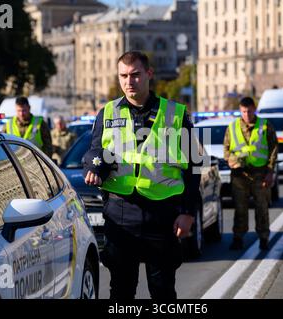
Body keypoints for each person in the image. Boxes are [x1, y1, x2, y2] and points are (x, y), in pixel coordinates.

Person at [83, 51, 201, 300]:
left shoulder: (175, 114)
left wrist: (188, 212)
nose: (129, 81)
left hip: (162, 214)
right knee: (121, 291)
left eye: (135, 75)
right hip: (121, 214)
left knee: (163, 291)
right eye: (123, 76)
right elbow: (95, 151)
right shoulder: (107, 113)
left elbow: (195, 165)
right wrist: (93, 169)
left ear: (149, 74)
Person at [223, 97, 278, 251]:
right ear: (240, 110)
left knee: (262, 207)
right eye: (244, 111)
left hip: (260, 174)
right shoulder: (232, 127)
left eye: (249, 111)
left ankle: (263, 238)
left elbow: (273, 149)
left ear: (255, 109)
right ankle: (238, 238)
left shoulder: (265, 126)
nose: (247, 114)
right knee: (240, 208)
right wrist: (232, 161)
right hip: (239, 175)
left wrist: (270, 171)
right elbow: (226, 150)